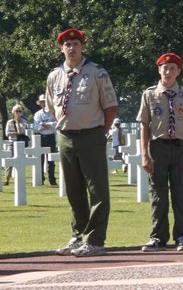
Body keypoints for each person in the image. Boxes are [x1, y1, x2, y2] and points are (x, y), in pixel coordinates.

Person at [46, 28, 118, 257]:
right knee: (74, 190)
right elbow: (51, 107)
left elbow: (110, 107)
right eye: (67, 44)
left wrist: (100, 132)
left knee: (97, 189)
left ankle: (95, 240)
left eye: (76, 43)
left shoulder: (97, 73)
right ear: (61, 48)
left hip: (91, 135)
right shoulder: (54, 75)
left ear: (82, 46)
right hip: (66, 137)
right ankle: (78, 235)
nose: (71, 48)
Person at [137, 52, 183, 252]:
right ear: (159, 70)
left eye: (173, 68)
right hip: (158, 147)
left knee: (180, 194)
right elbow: (144, 126)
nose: (169, 71)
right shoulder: (149, 94)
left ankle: (181, 235)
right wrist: (145, 154)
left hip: (179, 147)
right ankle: (158, 237)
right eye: (165, 67)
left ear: (178, 71)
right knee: (158, 195)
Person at [33, 94, 58, 186]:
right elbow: (36, 127)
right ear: (40, 103)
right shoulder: (37, 114)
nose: (44, 103)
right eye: (42, 102)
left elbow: (57, 123)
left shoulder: (53, 112)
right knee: (41, 159)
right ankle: (41, 179)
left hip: (51, 136)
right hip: (41, 137)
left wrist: (48, 125)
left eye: (45, 101)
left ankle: (52, 180)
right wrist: (43, 127)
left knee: (51, 160)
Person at [4, 104, 29, 186]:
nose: (18, 113)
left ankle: (20, 178)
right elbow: (7, 134)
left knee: (20, 162)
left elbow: (21, 131)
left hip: (20, 144)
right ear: (13, 112)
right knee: (9, 161)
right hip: (12, 143)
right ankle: (7, 178)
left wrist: (18, 123)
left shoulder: (24, 122)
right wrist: (15, 133)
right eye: (16, 111)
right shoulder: (9, 122)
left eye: (19, 111)